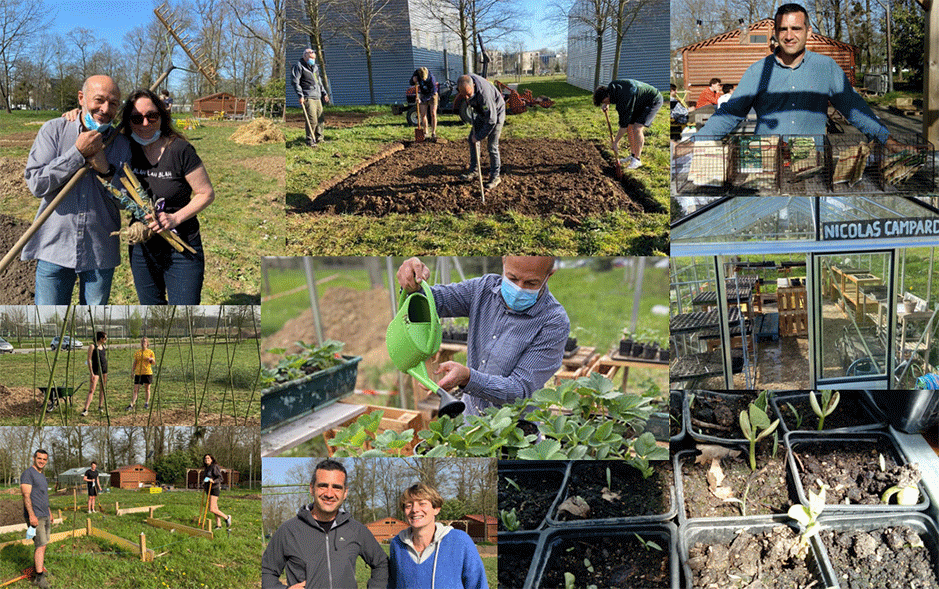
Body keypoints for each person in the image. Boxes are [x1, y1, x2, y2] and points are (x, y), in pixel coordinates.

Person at [697, 2, 900, 149]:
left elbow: (853, 108)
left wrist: (888, 141)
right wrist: (697, 142)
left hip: (813, 161)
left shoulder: (825, 67)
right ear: (776, 33)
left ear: (808, 32)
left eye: (796, 28)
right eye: (783, 29)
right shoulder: (758, 71)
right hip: (767, 161)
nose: (789, 35)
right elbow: (731, 112)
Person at [396, 256, 569, 416]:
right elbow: (435, 300)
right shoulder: (483, 289)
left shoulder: (553, 322)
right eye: (512, 278)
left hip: (516, 432)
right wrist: (413, 285)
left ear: (549, 274)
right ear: (504, 261)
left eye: (531, 283)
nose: (519, 289)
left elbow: (519, 389)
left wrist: (468, 378)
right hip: (470, 422)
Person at [22, 75, 131, 305]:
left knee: (90, 325)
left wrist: (106, 171)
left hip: (100, 251)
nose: (105, 109)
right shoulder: (54, 130)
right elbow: (37, 184)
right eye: (99, 100)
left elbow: (127, 202)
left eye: (113, 104)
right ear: (82, 98)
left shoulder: (121, 145)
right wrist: (76, 154)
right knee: (48, 324)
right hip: (54, 247)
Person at [123, 88, 215, 304]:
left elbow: (206, 193)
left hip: (181, 245)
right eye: (136, 118)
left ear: (162, 116)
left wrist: (175, 218)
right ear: (128, 122)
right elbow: (97, 134)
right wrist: (73, 116)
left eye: (151, 116)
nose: (145, 123)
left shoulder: (180, 150)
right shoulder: (126, 149)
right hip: (143, 246)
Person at [262, 459, 389, 589]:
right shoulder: (288, 530)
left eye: (337, 487)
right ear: (312, 489)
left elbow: (381, 563)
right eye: (323, 485)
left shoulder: (356, 529)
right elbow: (266, 571)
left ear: (345, 492)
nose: (329, 494)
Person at [389, 483, 487, 589]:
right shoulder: (397, 544)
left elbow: (478, 585)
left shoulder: (460, 541)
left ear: (436, 509)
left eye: (422, 504)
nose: (414, 509)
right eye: (409, 505)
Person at [593, 79, 664, 169]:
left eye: (605, 101)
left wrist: (615, 143)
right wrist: (607, 104)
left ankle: (637, 160)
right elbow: (626, 125)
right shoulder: (612, 87)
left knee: (637, 128)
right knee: (630, 126)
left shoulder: (624, 99)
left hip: (652, 100)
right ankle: (633, 154)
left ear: (607, 95)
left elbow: (623, 126)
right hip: (638, 99)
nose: (605, 103)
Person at [457, 74, 505, 190]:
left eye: (468, 94)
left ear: (473, 85)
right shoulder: (464, 83)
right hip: (482, 113)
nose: (466, 98)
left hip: (496, 114)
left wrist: (478, 137)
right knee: (471, 139)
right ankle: (474, 171)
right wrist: (470, 100)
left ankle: (495, 176)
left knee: (492, 146)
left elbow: (491, 121)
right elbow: (468, 97)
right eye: (464, 95)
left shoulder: (485, 96)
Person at [21, 449, 51, 589]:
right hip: (36, 516)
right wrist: (32, 515)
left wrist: (49, 512)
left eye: (44, 459)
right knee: (40, 545)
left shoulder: (42, 476)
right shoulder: (28, 474)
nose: (42, 461)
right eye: (39, 458)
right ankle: (39, 578)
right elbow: (26, 496)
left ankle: (36, 568)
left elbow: (44, 495)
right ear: (34, 458)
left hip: (45, 514)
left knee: (43, 544)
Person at [292, 48, 330, 147]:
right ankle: (310, 140)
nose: (312, 60)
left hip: (317, 96)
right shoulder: (299, 66)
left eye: (314, 58)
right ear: (305, 56)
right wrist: (300, 95)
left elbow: (319, 82)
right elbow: (295, 82)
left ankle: (319, 138)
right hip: (308, 96)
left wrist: (324, 93)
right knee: (312, 119)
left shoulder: (315, 67)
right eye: (311, 58)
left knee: (320, 118)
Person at [80, 332, 108, 417]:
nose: (106, 340)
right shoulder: (92, 346)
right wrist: (91, 372)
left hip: (104, 370)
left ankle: (100, 406)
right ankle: (86, 409)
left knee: (102, 388)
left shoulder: (103, 347)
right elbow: (89, 360)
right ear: (101, 338)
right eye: (105, 338)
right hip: (95, 370)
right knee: (92, 390)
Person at [201, 454, 231, 529]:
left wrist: (213, 481)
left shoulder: (214, 466)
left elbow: (220, 478)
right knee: (215, 508)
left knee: (212, 509)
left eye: (208, 458)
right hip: (208, 489)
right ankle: (219, 525)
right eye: (205, 458)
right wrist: (204, 482)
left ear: (211, 459)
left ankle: (227, 517)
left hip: (214, 488)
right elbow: (206, 478)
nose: (206, 459)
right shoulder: (207, 468)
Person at [128, 337, 156, 410]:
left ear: (147, 343)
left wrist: (151, 359)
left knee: (147, 389)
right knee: (136, 389)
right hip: (138, 373)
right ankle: (132, 404)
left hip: (147, 372)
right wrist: (132, 371)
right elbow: (135, 362)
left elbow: (154, 363)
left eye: (145, 341)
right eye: (142, 341)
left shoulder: (150, 352)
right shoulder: (138, 352)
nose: (143, 343)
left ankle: (146, 403)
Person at [411, 67, 438, 139]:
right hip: (423, 93)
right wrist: (413, 80)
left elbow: (432, 92)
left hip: (432, 95)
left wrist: (422, 100)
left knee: (433, 113)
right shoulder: (417, 73)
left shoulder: (432, 78)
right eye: (422, 79)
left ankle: (433, 132)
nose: (423, 80)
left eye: (425, 79)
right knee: (423, 114)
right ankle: (425, 132)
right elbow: (411, 82)